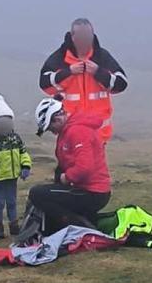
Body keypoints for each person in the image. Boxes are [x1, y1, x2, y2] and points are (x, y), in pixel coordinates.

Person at [26, 96, 111, 234]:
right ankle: (72, 225)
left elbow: (85, 168)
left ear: (57, 119)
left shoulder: (77, 131)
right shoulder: (68, 131)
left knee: (37, 193)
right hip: (87, 190)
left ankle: (82, 229)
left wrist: (66, 177)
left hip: (92, 192)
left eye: (50, 127)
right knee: (46, 195)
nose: (51, 131)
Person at [39, 18, 128, 143]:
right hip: (70, 133)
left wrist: (98, 72)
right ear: (72, 37)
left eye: (87, 36)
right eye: (81, 36)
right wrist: (68, 72)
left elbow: (121, 84)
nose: (85, 40)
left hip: (98, 134)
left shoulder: (101, 56)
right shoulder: (60, 57)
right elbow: (44, 84)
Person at [0, 94, 32, 241]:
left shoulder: (15, 138)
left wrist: (25, 166)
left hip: (12, 177)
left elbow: (23, 153)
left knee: (11, 202)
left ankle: (14, 227)